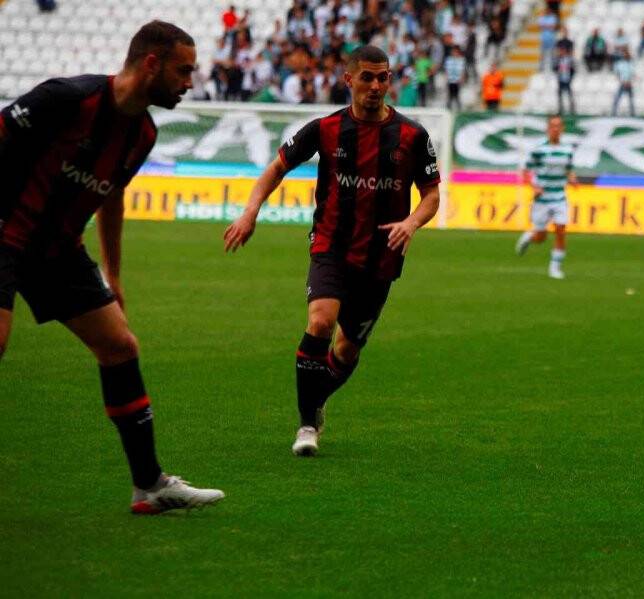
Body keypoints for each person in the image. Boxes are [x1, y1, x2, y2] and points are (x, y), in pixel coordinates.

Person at [0, 21, 224, 514]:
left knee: (119, 346)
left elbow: (112, 197)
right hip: (5, 232)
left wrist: (113, 273)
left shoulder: (141, 134)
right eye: (183, 71)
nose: (190, 82)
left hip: (57, 251)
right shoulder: (66, 98)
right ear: (151, 63)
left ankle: (149, 486)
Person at [223, 45, 441, 457]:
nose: (376, 86)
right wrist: (250, 212)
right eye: (367, 77)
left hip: (382, 256)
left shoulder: (413, 136)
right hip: (331, 246)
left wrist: (412, 222)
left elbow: (431, 195)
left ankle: (316, 400)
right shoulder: (325, 128)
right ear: (349, 80)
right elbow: (276, 167)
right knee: (321, 323)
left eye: (383, 77)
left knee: (346, 349)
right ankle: (307, 425)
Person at [515, 115, 576, 280]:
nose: (555, 129)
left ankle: (555, 267)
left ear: (562, 129)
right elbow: (525, 171)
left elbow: (569, 169)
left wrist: (572, 179)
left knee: (561, 230)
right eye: (552, 126)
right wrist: (534, 187)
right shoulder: (538, 150)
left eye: (558, 126)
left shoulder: (568, 150)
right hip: (542, 199)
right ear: (547, 129)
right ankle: (529, 236)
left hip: (559, 197)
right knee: (540, 237)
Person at [611, 48, 635, 116]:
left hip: (629, 83)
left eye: (626, 54)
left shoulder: (631, 63)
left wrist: (629, 82)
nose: (625, 55)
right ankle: (613, 112)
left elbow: (633, 74)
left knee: (631, 100)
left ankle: (632, 113)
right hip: (622, 83)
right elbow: (617, 74)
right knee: (617, 98)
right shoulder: (619, 64)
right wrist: (622, 82)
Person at [444, 45, 466, 111]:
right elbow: (446, 69)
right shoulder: (448, 60)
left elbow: (462, 70)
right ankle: (448, 108)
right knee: (450, 95)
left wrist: (462, 78)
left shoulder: (461, 60)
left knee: (457, 95)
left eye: (456, 51)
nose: (454, 53)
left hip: (457, 80)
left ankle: (458, 109)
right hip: (450, 80)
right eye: (453, 51)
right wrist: (447, 77)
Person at [554, 46, 575, 115]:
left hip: (567, 79)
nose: (561, 52)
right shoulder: (558, 59)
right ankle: (560, 109)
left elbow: (573, 69)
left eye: (562, 51)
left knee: (569, 95)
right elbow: (555, 68)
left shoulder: (569, 59)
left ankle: (572, 109)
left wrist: (571, 77)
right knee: (560, 95)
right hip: (561, 79)